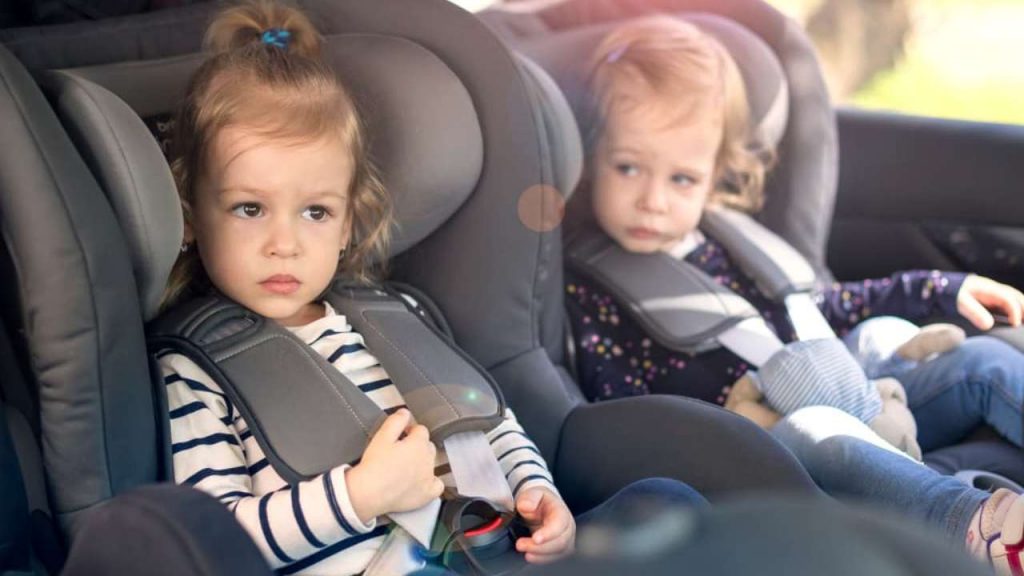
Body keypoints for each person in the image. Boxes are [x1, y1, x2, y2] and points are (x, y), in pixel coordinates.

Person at [157, 2, 705, 574]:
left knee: (669, 503)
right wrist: (358, 496)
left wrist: (539, 494)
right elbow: (214, 541)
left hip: (489, 552)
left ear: (347, 224)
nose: (284, 242)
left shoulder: (394, 315)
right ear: (192, 216)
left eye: (315, 212)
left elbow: (490, 423)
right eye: (250, 207)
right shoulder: (195, 371)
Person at [562, 15, 1024, 573]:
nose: (653, 199)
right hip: (767, 441)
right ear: (592, 159)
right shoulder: (592, 288)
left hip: (855, 387)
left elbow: (824, 305)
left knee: (982, 362)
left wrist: (942, 289)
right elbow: (625, 409)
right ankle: (976, 529)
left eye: (680, 178)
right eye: (628, 167)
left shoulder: (731, 240)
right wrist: (735, 421)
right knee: (818, 430)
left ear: (714, 176)